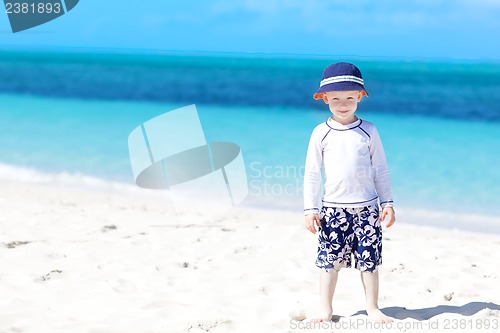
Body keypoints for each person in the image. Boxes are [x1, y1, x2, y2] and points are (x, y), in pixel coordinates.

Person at [303, 62, 396, 323]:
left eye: (349, 98)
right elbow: (311, 173)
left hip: (367, 209)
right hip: (333, 209)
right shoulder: (320, 133)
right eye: (335, 99)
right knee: (329, 262)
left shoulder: (369, 130)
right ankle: (325, 309)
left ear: (360, 97)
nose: (342, 104)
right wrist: (310, 209)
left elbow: (381, 169)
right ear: (324, 99)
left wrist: (387, 202)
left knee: (369, 261)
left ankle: (373, 308)